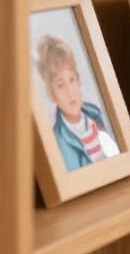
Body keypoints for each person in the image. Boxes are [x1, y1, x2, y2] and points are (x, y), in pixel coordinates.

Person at [36, 34, 118, 171]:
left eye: (72, 80)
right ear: (51, 93)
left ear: (79, 80)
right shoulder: (58, 141)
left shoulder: (98, 114)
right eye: (60, 85)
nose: (70, 91)